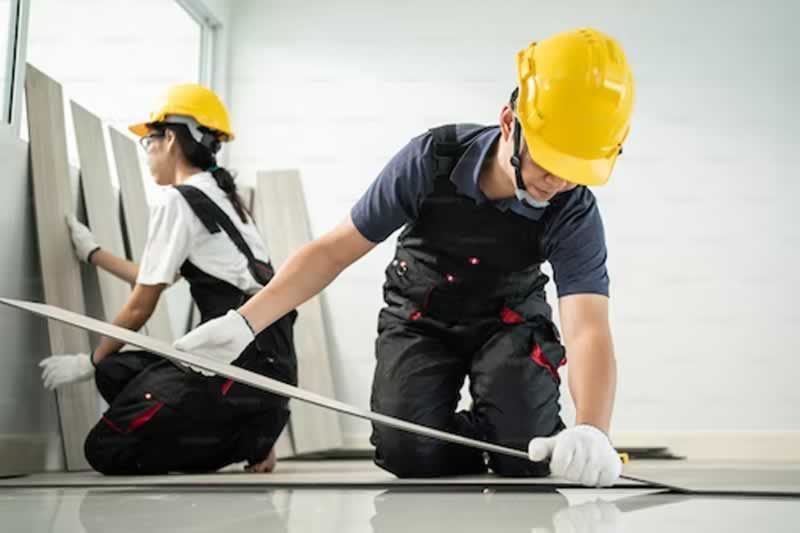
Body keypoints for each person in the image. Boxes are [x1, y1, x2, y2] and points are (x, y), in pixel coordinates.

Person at [175, 27, 635, 486]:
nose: (558, 181)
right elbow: (333, 251)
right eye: (549, 160)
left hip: (509, 324)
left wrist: (593, 428)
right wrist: (245, 323)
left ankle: (512, 437)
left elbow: (588, 326)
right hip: (422, 318)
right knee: (407, 452)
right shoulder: (430, 161)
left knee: (530, 455)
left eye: (574, 169)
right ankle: (479, 438)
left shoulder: (572, 210)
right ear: (510, 123)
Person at [38, 83, 298, 475]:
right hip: (268, 368)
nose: (148, 154)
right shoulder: (227, 203)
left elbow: (142, 303)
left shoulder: (180, 201)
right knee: (116, 372)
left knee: (104, 450)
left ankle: (248, 438)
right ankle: (252, 427)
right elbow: (153, 277)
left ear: (171, 138)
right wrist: (94, 253)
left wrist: (87, 360)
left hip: (237, 367)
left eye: (149, 142)